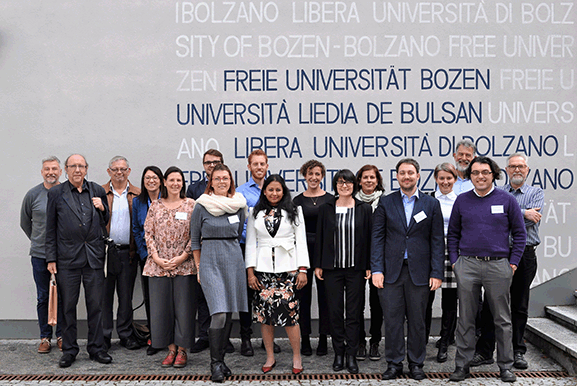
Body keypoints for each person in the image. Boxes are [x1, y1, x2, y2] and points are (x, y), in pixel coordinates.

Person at [447, 156, 526, 383]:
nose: (480, 176)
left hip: (498, 265)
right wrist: (455, 262)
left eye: (485, 172)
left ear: (494, 174)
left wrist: (513, 263)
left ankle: (505, 366)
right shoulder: (462, 201)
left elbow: (520, 234)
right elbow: (453, 234)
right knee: (466, 319)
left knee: (502, 319)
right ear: (470, 176)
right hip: (468, 265)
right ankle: (462, 366)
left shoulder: (507, 200)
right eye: (475, 173)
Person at [371, 158, 445, 380]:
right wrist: (376, 269)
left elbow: (437, 241)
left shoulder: (431, 204)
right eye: (402, 173)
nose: (406, 177)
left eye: (410, 173)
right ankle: (394, 364)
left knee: (417, 320)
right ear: (397, 177)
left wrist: (436, 272)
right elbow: (377, 238)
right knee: (392, 320)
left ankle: (416, 364)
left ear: (418, 175)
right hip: (391, 272)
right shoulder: (386, 202)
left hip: (420, 273)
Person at [471, 153, 544, 371]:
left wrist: (508, 214)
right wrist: (522, 212)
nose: (517, 170)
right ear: (506, 170)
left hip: (525, 255)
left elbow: (531, 223)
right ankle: (485, 352)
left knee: (519, 305)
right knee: (490, 306)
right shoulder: (498, 193)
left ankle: (517, 352)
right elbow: (493, 219)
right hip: (499, 255)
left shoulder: (535, 192)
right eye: (513, 167)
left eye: (521, 166)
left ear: (528, 170)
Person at [45, 154, 112, 368]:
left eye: (81, 166)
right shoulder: (57, 193)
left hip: (93, 258)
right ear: (66, 169)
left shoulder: (97, 190)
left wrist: (103, 208)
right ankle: (70, 350)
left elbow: (105, 221)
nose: (77, 170)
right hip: (67, 260)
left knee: (96, 306)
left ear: (86, 169)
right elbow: (50, 228)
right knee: (68, 307)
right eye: (73, 166)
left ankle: (96, 348)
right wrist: (51, 258)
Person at [245, 174, 309, 375]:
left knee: (291, 316)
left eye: (278, 190)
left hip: (288, 270)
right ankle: (270, 356)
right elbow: (250, 244)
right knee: (266, 317)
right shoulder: (254, 212)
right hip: (263, 272)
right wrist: (250, 272)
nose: (274, 193)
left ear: (283, 191)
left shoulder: (295, 211)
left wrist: (302, 269)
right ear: (264, 191)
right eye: (270, 189)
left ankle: (296, 356)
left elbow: (301, 241)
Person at [190, 163, 248, 382]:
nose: (222, 181)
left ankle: (222, 361)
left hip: (233, 260)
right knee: (219, 313)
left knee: (230, 312)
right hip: (210, 262)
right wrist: (198, 267)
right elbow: (195, 240)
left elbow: (239, 231)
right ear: (210, 182)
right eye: (217, 178)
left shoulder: (239, 205)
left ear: (230, 181)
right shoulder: (201, 206)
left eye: (225, 178)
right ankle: (214, 364)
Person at [314, 169, 373, 374]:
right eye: (340, 182)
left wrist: (368, 265)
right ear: (335, 185)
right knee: (335, 312)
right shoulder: (326, 208)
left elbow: (369, 239)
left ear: (354, 185)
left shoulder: (364, 209)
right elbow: (320, 238)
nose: (344, 185)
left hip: (356, 270)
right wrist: (319, 264)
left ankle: (351, 353)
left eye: (347, 182)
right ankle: (338, 352)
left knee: (354, 313)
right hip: (332, 269)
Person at [143, 166, 197, 368]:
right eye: (171, 180)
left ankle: (183, 351)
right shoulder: (155, 206)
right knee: (162, 310)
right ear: (164, 182)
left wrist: (182, 257)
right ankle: (171, 349)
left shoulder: (191, 205)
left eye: (179, 180)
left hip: (184, 266)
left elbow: (196, 234)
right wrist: (156, 257)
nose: (175, 183)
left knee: (184, 310)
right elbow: (148, 233)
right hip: (158, 267)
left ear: (183, 183)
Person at [187, 149, 232, 355]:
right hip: (204, 252)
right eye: (208, 162)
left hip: (227, 251)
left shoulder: (232, 193)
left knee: (227, 297)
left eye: (216, 162)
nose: (212, 165)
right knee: (203, 297)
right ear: (203, 165)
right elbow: (192, 225)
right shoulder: (195, 189)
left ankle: (225, 338)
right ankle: (205, 335)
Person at [237, 149, 281, 355]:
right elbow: (241, 223)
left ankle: (267, 341)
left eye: (262, 164)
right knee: (247, 296)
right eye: (255, 164)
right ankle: (246, 339)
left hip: (272, 252)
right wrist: (253, 238)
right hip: (248, 248)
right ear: (249, 167)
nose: (259, 167)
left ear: (267, 165)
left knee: (268, 295)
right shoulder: (241, 192)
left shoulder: (275, 189)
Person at [20, 156, 64, 354]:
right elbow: (25, 222)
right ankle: (45, 337)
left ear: (60, 171)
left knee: (64, 296)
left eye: (54, 169)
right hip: (39, 254)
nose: (51, 172)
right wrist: (40, 241)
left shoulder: (66, 192)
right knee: (43, 297)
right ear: (42, 172)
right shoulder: (33, 194)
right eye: (47, 169)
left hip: (64, 255)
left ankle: (63, 335)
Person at [292, 160, 332, 357]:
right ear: (304, 176)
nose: (314, 177)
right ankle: (305, 339)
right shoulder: (297, 201)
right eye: (310, 174)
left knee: (325, 298)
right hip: (303, 253)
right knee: (303, 297)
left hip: (325, 254)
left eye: (317, 174)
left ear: (322, 176)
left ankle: (324, 338)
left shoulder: (331, 199)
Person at [102, 156, 141, 351]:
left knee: (126, 297)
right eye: (115, 169)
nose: (119, 172)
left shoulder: (137, 194)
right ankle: (104, 336)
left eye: (123, 169)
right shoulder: (99, 192)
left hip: (128, 253)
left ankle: (126, 334)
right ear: (109, 171)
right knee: (104, 297)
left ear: (129, 171)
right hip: (105, 253)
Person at [424, 163, 459, 363]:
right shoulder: (428, 200)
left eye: (449, 178)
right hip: (429, 255)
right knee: (425, 300)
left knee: (449, 301)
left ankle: (444, 342)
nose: (445, 182)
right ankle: (423, 339)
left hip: (452, 253)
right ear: (436, 179)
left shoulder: (461, 201)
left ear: (454, 179)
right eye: (441, 178)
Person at [354, 164, 385, 361]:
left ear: (377, 180)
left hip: (379, 260)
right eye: (365, 177)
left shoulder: (386, 202)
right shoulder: (351, 202)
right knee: (357, 304)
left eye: (372, 177)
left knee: (377, 303)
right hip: (356, 259)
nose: (368, 181)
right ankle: (359, 342)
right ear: (359, 180)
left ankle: (375, 341)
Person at [132, 166, 164, 355]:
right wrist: (146, 255)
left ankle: (170, 336)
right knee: (151, 300)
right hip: (147, 259)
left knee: (167, 300)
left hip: (169, 259)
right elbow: (137, 230)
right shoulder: (138, 202)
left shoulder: (168, 200)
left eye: (154, 178)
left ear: (161, 180)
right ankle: (154, 337)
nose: (151, 181)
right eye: (147, 178)